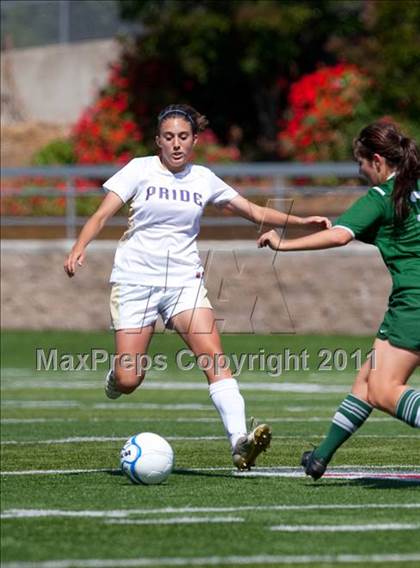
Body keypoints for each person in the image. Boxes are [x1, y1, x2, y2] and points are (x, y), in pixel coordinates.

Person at [64, 103, 331, 471]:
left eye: (184, 137)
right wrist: (80, 246)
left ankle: (239, 442)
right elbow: (101, 214)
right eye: (169, 137)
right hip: (135, 281)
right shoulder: (139, 170)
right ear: (158, 141)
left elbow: (253, 211)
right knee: (130, 378)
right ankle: (116, 379)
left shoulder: (203, 178)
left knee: (213, 356)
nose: (176, 144)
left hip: (184, 282)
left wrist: (302, 221)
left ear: (194, 141)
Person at [258, 120, 420, 479]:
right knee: (366, 381)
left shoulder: (382, 196)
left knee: (382, 389)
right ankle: (321, 457)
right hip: (410, 302)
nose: (359, 171)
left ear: (377, 160)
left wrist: (285, 244)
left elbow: (340, 238)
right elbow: (381, 231)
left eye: (360, 163)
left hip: (414, 302)